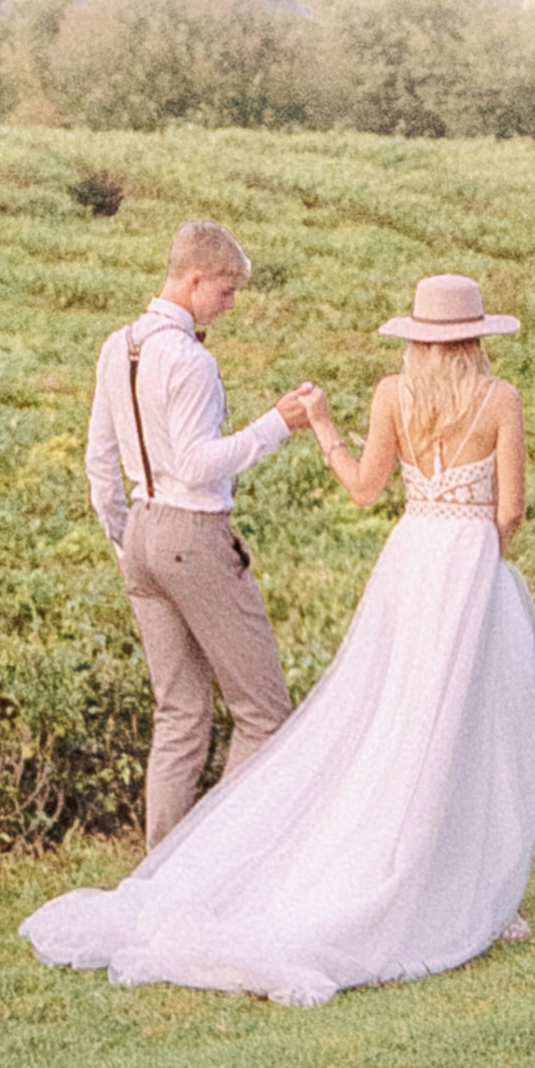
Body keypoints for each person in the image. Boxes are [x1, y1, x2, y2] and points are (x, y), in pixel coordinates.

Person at [24, 272, 535, 1005]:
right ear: (478, 336)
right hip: (467, 561)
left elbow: (365, 489)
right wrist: (485, 563)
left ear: (419, 338)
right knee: (470, 725)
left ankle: (411, 872)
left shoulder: (394, 396)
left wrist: (324, 426)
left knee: (393, 719)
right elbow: (511, 509)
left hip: (409, 560)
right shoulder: (501, 400)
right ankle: (468, 892)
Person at [80, 217, 318, 850]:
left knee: (179, 716)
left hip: (141, 535)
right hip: (193, 533)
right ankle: (216, 862)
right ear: (194, 280)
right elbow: (196, 463)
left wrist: (126, 541)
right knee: (264, 713)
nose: (231, 304)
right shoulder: (189, 360)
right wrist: (278, 423)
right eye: (226, 290)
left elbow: (100, 464)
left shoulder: (116, 347)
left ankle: (160, 874)